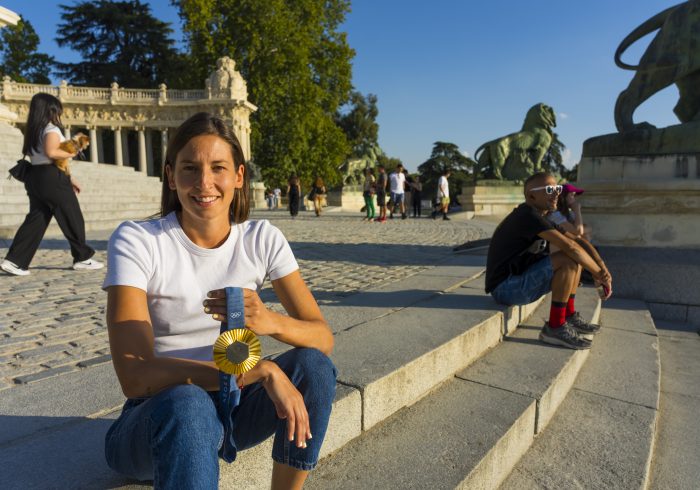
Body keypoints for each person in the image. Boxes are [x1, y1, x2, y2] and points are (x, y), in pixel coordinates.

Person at [102, 113, 336, 489]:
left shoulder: (262, 238)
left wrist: (268, 319)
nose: (204, 183)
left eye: (218, 168)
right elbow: (135, 376)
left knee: (314, 368)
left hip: (237, 409)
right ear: (170, 176)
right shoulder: (139, 241)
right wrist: (256, 372)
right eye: (190, 168)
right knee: (190, 405)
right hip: (158, 413)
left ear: (239, 176)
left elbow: (323, 339)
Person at [485, 172, 613, 350]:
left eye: (557, 188)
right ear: (531, 196)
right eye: (550, 189)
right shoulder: (527, 216)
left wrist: (602, 267)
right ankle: (555, 326)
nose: (556, 193)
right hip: (505, 288)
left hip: (518, 281)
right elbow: (572, 248)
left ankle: (567, 315)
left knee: (573, 259)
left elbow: (578, 240)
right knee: (568, 259)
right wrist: (598, 275)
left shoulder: (542, 216)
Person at [1, 93, 103, 276]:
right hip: (51, 178)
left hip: (36, 177)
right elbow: (52, 152)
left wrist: (71, 179)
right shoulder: (50, 129)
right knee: (72, 215)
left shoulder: (33, 131)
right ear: (50, 111)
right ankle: (82, 258)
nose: (59, 115)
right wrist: (75, 149)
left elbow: (45, 156)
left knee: (37, 220)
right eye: (57, 111)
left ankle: (14, 261)